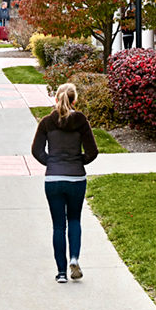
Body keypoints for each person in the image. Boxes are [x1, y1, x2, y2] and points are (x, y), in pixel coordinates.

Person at [31, 83, 98, 284]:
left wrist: (51, 162)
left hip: (53, 179)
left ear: (56, 99)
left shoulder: (46, 122)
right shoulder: (81, 120)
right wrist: (78, 161)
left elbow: (37, 151)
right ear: (74, 100)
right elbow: (92, 152)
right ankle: (74, 259)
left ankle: (61, 273)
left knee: (58, 225)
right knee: (74, 220)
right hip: (76, 178)